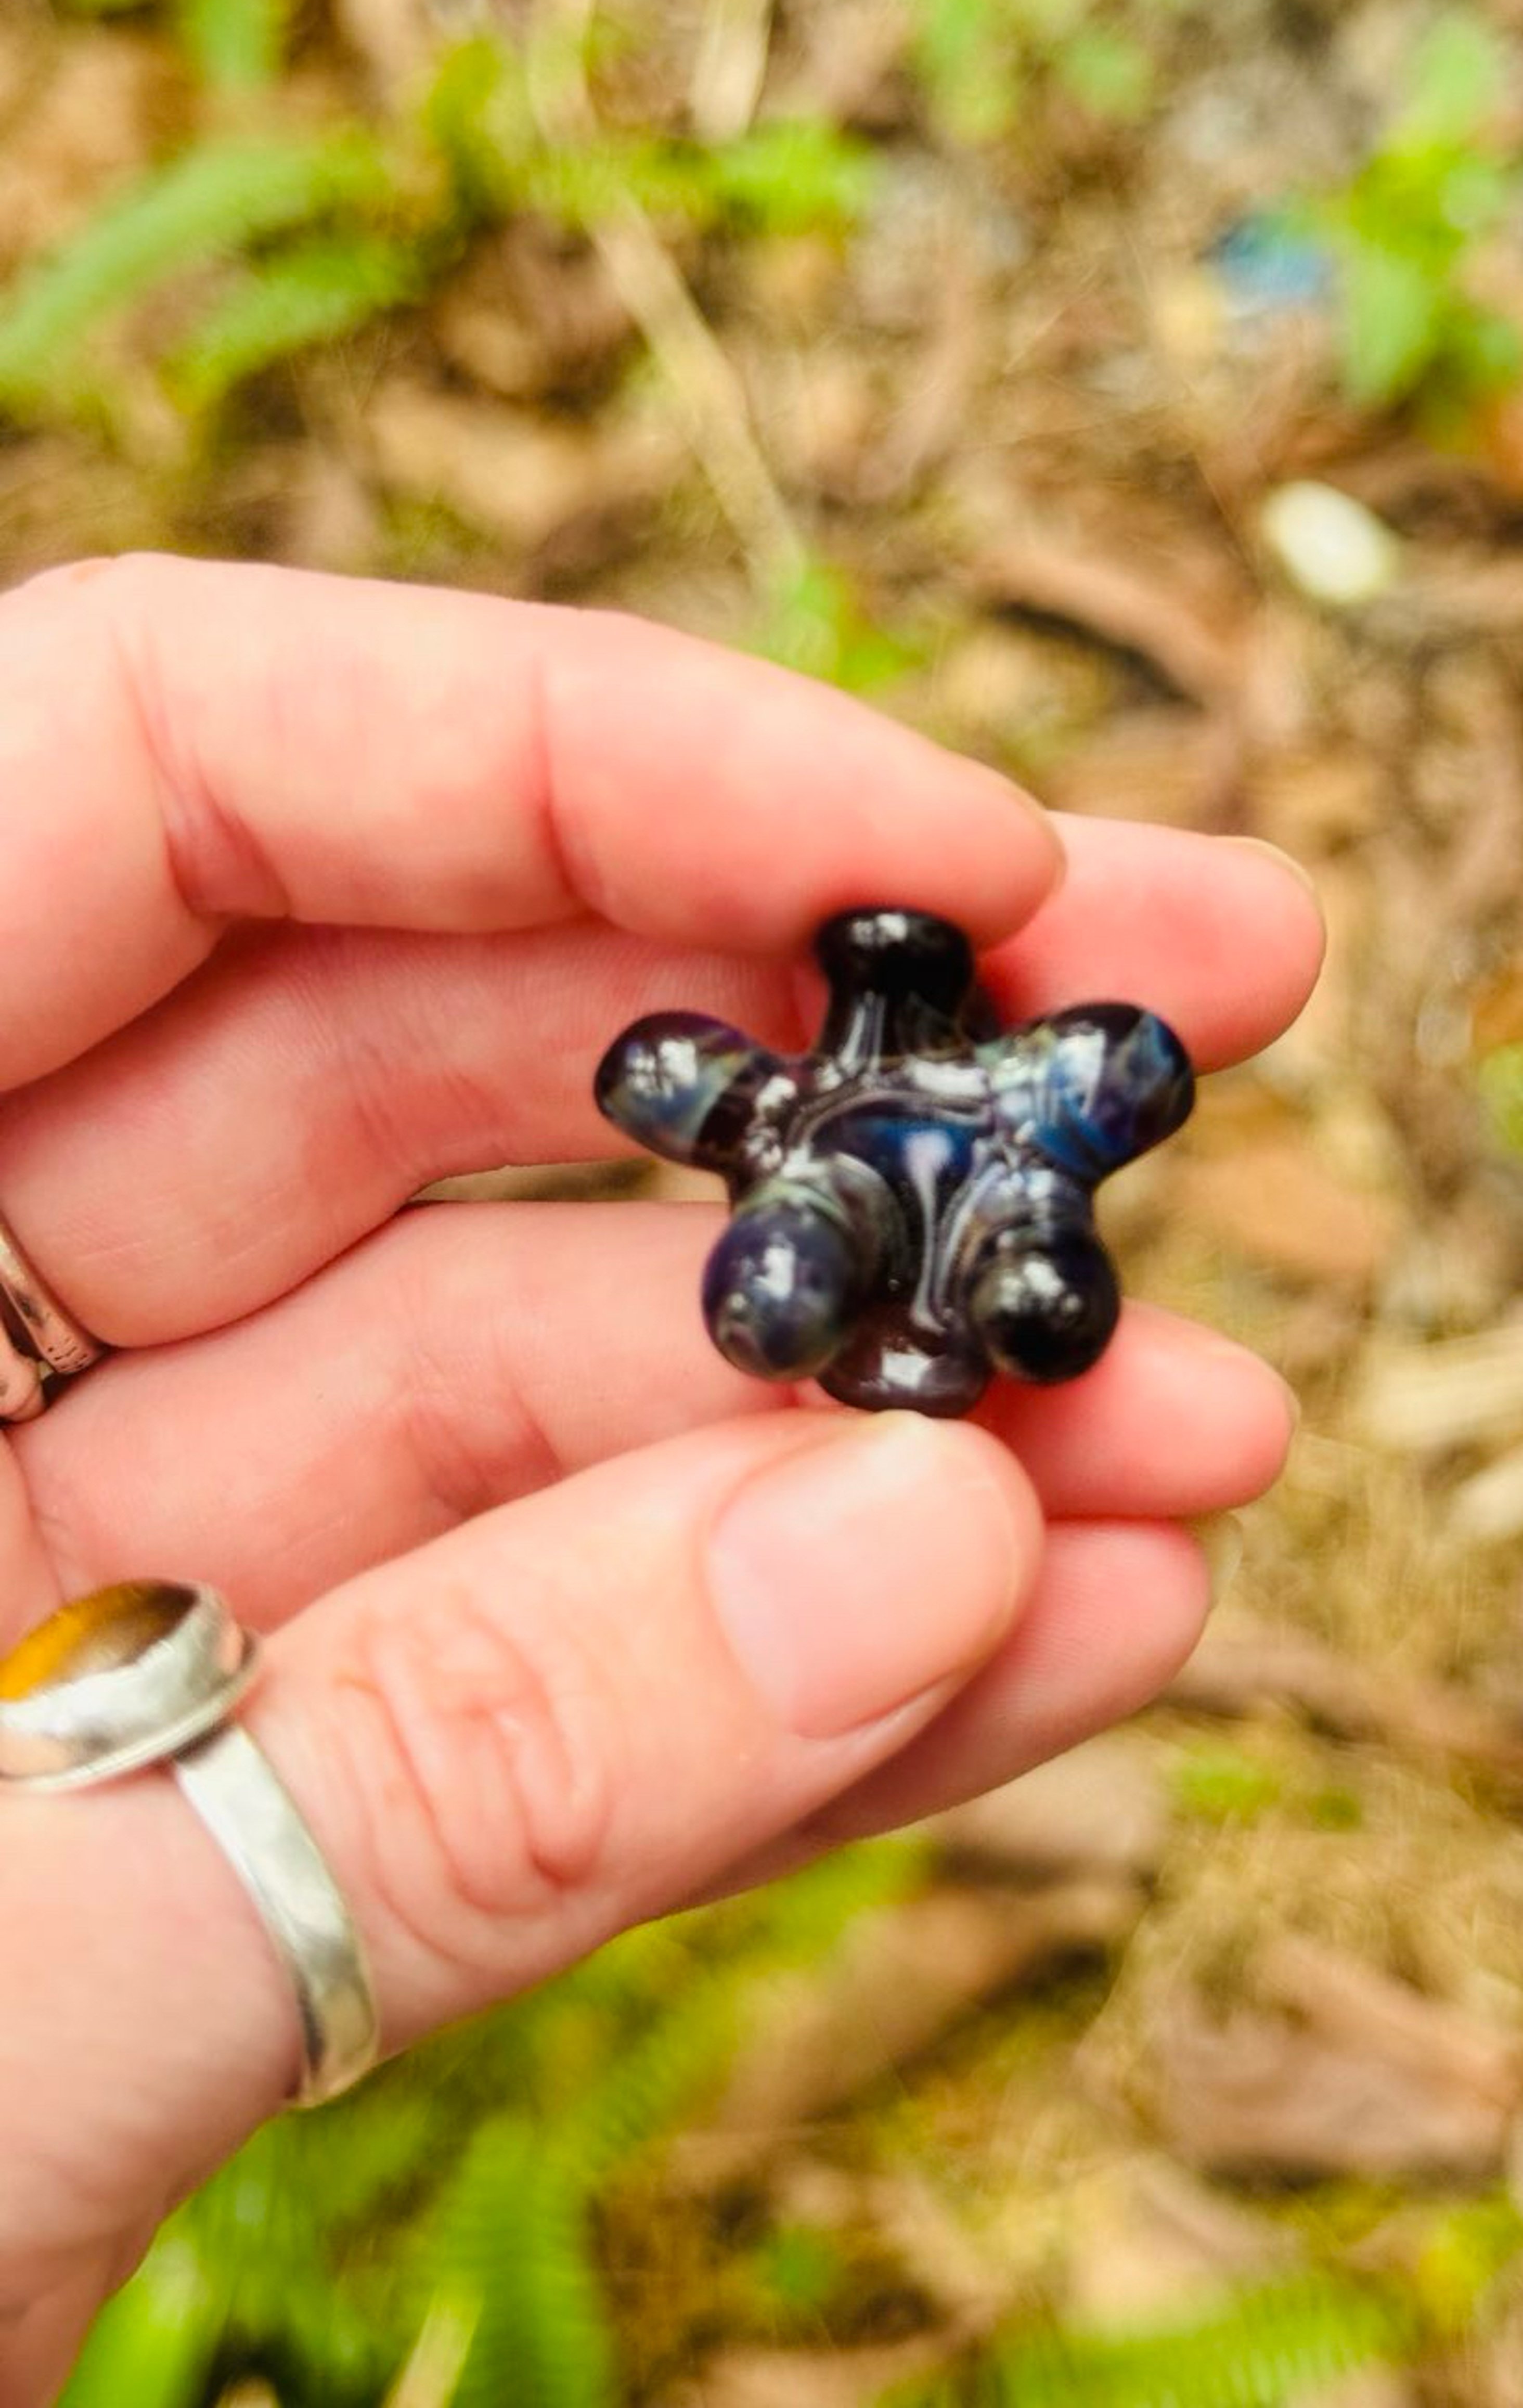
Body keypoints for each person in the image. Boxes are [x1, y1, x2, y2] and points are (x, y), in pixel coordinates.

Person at [0, 555, 1320, 2402]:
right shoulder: (810, 1132)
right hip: (854, 1173)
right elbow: (730, 1102)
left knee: (982, 1290)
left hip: (914, 1192)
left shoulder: (958, 1127)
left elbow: (914, 1119)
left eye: (1116, 1077)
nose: (1115, 1070)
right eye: (1109, 1066)